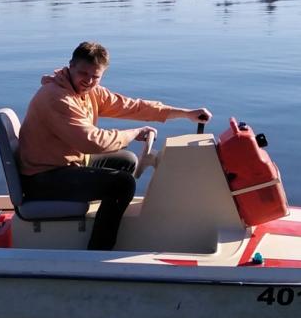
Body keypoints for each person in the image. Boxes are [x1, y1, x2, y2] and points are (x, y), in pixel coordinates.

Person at [17, 41, 211, 250]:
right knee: (122, 184)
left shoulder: (89, 92)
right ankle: (98, 251)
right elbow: (92, 141)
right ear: (71, 66)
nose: (88, 81)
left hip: (65, 164)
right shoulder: (57, 98)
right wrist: (133, 134)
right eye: (83, 73)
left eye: (95, 76)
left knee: (126, 161)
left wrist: (186, 113)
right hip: (42, 179)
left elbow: (133, 107)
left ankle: (104, 220)